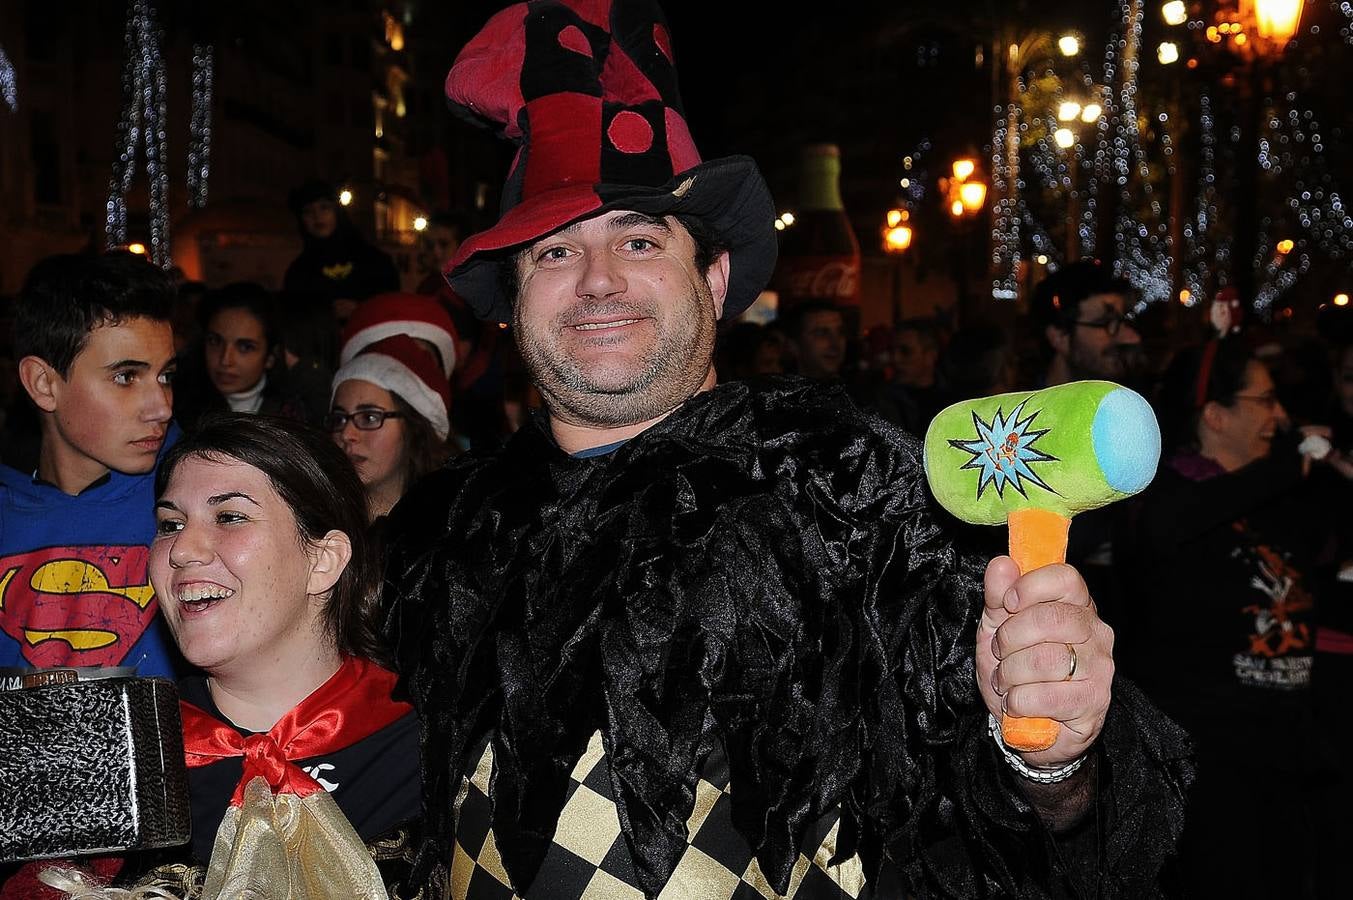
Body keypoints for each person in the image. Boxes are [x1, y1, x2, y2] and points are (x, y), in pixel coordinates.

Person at [382, 2, 1191, 898]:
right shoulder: (442, 531)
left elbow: (1050, 838)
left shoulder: (860, 493)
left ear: (715, 276)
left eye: (640, 240)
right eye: (555, 253)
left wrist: (1052, 757)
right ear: (513, 296)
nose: (598, 279)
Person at [112, 415, 431, 898]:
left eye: (230, 517)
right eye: (170, 524)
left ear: (322, 561)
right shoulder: (127, 754)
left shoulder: (430, 748)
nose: (181, 551)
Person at [1121, 339, 1343, 899]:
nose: (1279, 416)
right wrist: (1291, 464)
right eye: (1265, 401)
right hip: (1211, 759)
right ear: (1215, 415)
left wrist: (1324, 469)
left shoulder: (1282, 493)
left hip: (1286, 745)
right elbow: (1166, 531)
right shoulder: (1168, 494)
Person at [0, 252, 180, 677]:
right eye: (126, 377)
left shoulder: (199, 498)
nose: (162, 407)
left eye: (166, 376)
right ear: (44, 384)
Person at [330, 335, 455, 522]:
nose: (347, 434)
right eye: (339, 419)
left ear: (413, 427)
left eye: (369, 418)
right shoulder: (317, 525)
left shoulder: (450, 529)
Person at [172, 283, 319, 429]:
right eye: (215, 341)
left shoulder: (292, 416)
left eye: (245, 347)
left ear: (270, 357)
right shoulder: (177, 410)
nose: (226, 360)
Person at [283, 180, 400, 328]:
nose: (317, 216)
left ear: (337, 212)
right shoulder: (299, 272)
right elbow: (294, 319)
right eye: (308, 211)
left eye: (324, 208)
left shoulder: (375, 261)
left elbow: (393, 307)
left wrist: (361, 309)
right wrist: (325, 313)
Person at [1030, 259, 1143, 387]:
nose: (1132, 338)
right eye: (1106, 322)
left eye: (1124, 321)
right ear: (1059, 336)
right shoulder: (1019, 406)